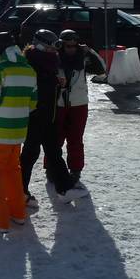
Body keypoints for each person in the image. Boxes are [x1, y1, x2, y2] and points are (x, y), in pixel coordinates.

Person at [18, 27, 87, 206]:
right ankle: (19, 192)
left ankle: (64, 188)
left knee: (53, 152)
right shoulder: (33, 63)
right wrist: (53, 83)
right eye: (50, 48)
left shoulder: (48, 62)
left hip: (49, 115)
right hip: (35, 115)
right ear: (41, 47)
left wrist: (56, 83)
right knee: (31, 154)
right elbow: (34, 87)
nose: (54, 51)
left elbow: (47, 85)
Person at [0, 32, 36, 233]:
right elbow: (33, 103)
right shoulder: (29, 70)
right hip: (18, 131)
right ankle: (18, 213)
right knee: (13, 171)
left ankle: (0, 220)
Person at [55, 30, 106, 182]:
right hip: (58, 104)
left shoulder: (82, 58)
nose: (71, 49)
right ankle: (52, 167)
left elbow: (101, 69)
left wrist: (89, 51)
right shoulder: (54, 57)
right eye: (67, 46)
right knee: (56, 139)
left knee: (75, 139)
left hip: (79, 104)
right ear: (61, 45)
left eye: (74, 46)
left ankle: (75, 170)